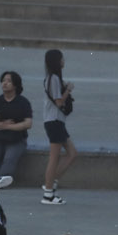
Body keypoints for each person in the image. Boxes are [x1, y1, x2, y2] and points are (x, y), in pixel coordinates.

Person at [38, 49, 75, 205]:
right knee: (54, 157)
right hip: (54, 121)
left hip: (57, 121)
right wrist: (68, 90)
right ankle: (48, 194)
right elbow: (59, 102)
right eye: (61, 59)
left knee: (72, 153)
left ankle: (51, 183)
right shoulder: (52, 78)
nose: (63, 61)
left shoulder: (54, 79)